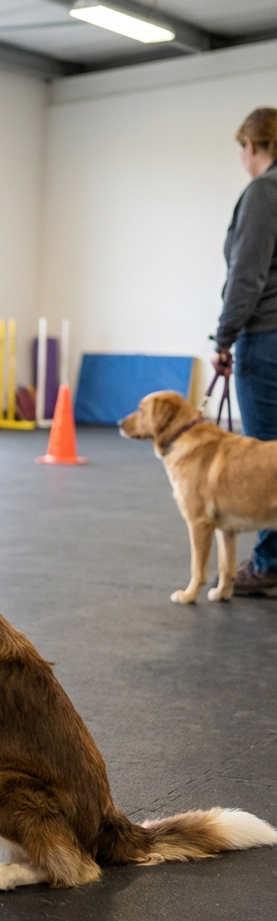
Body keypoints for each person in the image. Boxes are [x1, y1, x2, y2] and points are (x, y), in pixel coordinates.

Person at [210, 106, 277, 597]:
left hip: (267, 337)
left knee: (265, 456)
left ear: (251, 145)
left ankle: (270, 565)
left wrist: (225, 336)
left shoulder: (263, 192)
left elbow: (247, 275)